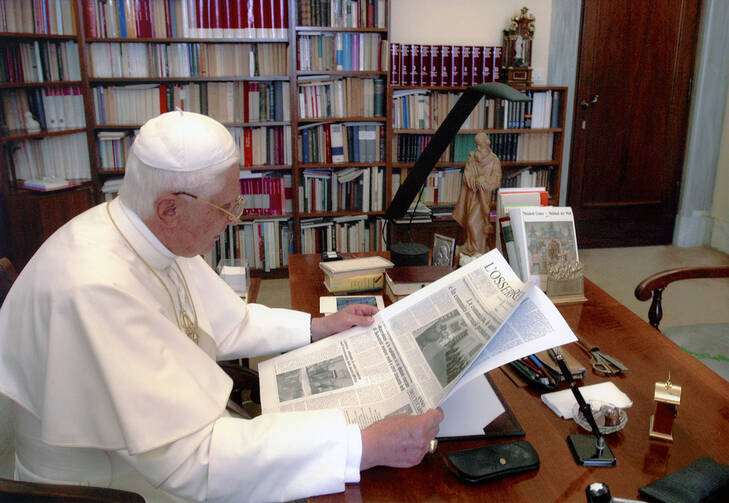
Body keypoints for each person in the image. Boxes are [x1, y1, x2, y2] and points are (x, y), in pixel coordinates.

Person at [0, 111, 443, 502]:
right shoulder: (96, 288)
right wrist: (361, 447)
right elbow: (195, 464)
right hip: (112, 486)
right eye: (224, 207)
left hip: (145, 461)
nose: (236, 219)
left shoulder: (143, 232)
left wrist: (318, 326)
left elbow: (225, 321)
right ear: (169, 207)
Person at [452, 132, 502, 256]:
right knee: (469, 224)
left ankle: (477, 249)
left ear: (487, 143)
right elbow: (467, 176)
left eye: (480, 145)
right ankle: (472, 247)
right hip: (471, 196)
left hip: (483, 198)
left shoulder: (494, 160)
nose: (478, 148)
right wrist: (474, 181)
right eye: (477, 145)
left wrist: (483, 181)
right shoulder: (472, 158)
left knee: (472, 222)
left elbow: (496, 181)